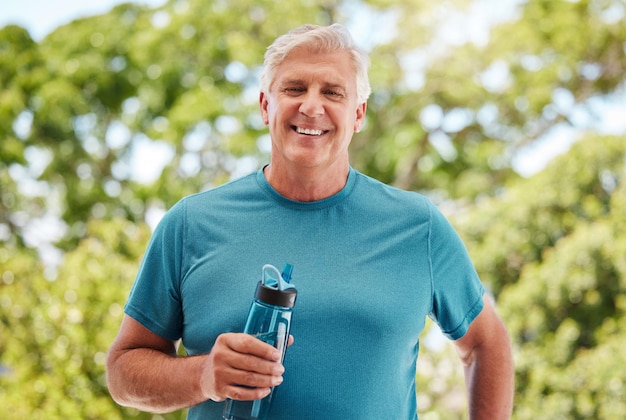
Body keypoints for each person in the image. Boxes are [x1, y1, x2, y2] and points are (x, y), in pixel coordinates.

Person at [106, 23, 514, 419]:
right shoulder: (190, 224)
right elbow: (123, 370)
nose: (311, 106)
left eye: (332, 92)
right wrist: (203, 375)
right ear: (266, 106)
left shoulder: (418, 227)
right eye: (294, 88)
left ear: (358, 114)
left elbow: (485, 343)